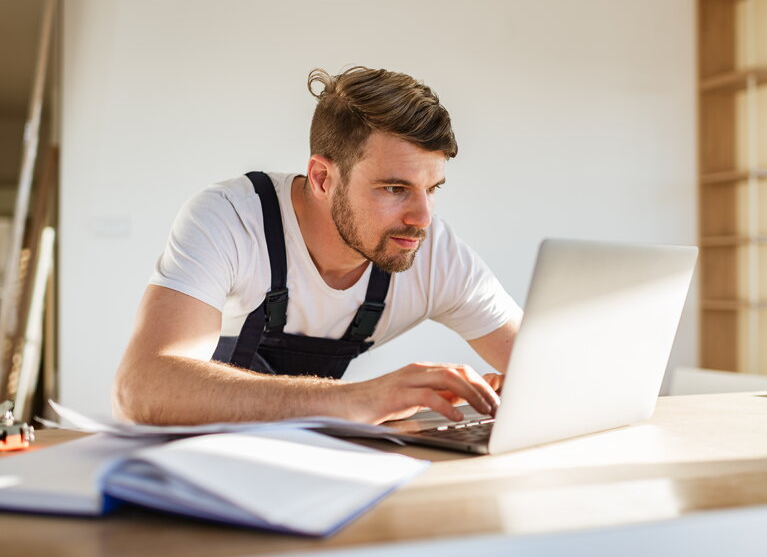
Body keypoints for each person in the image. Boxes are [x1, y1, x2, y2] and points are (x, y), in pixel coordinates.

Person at [113, 66, 522, 426]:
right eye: (395, 188)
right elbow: (141, 388)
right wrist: (359, 399)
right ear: (322, 178)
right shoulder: (232, 217)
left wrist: (529, 389)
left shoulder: (432, 252)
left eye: (432, 189)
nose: (422, 219)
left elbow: (549, 365)